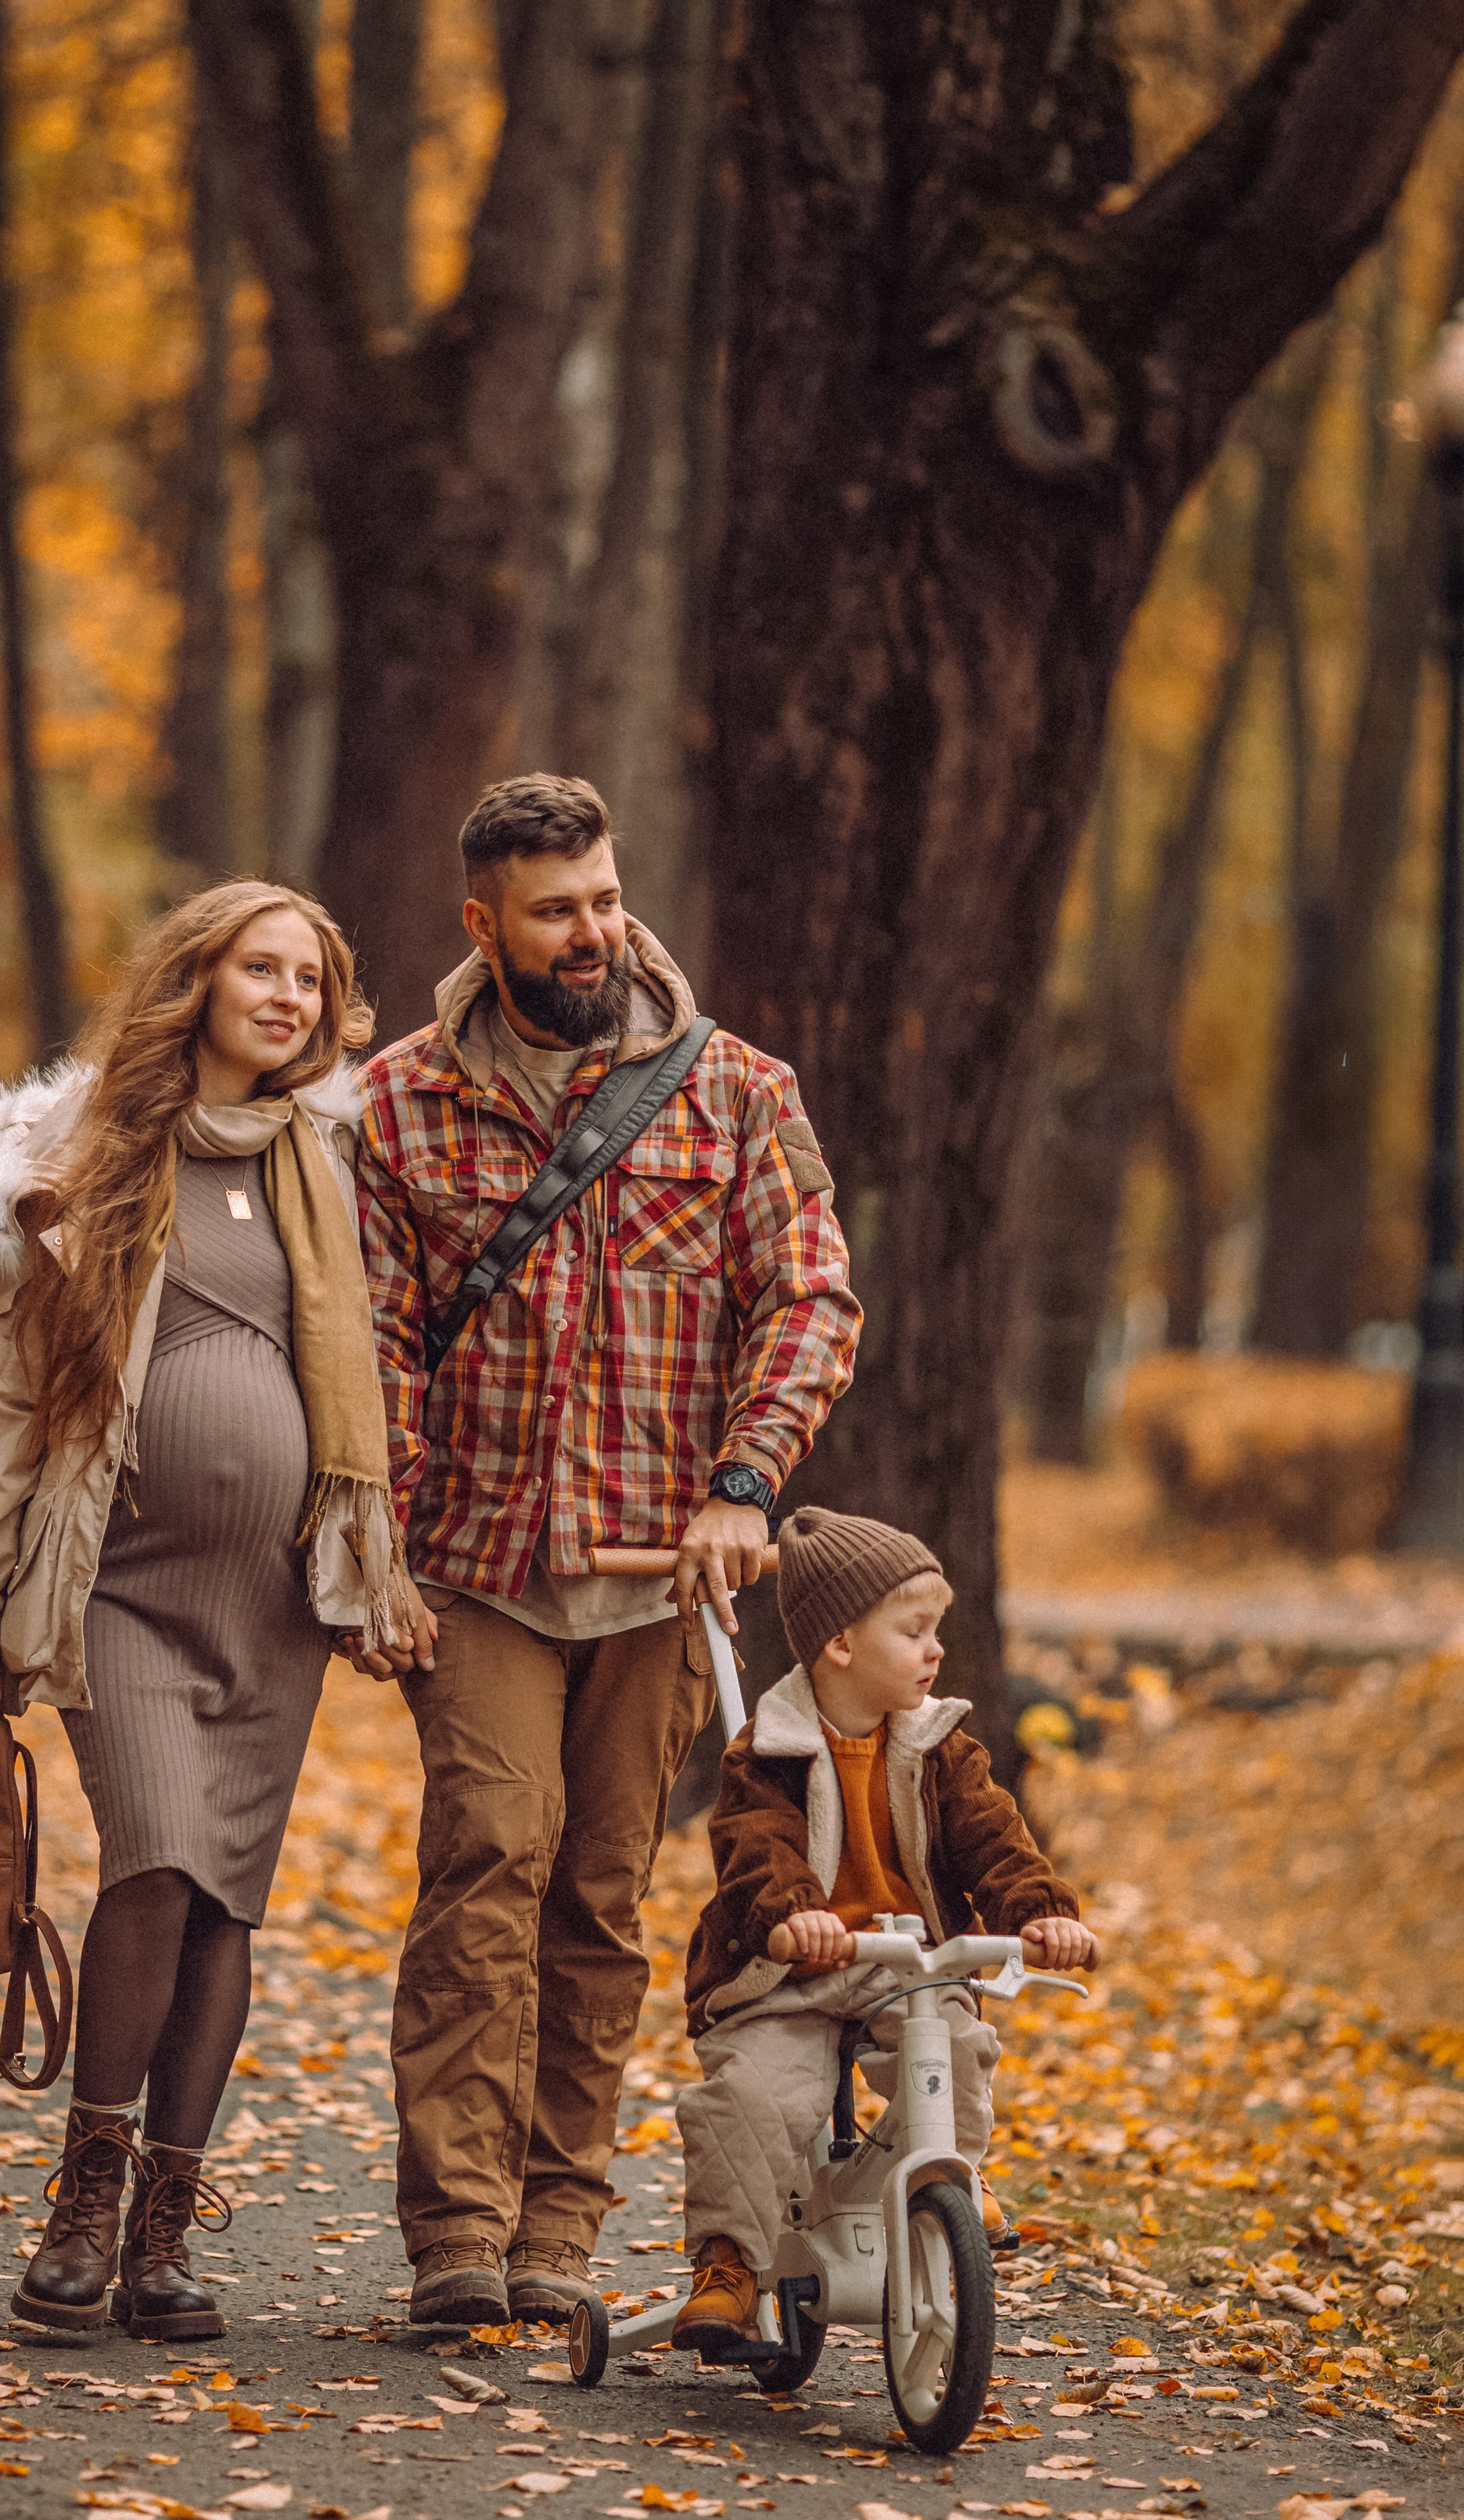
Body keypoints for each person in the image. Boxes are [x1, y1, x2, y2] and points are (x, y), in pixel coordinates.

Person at [0, 881, 414, 2346]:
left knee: (228, 1892)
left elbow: (373, 1362)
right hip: (117, 1577)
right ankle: (84, 2200)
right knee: (159, 1862)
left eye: (313, 974)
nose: (291, 995)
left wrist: (377, 1561)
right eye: (263, 966)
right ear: (197, 978)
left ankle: (167, 2228)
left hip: (274, 1600)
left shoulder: (329, 1154)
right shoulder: (86, 1154)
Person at [354, 772, 862, 2327]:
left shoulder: (734, 1092)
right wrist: (374, 1541)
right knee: (485, 1856)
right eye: (551, 910)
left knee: (595, 1892)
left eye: (600, 898)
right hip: (479, 1561)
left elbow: (808, 1301)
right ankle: (455, 2228)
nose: (587, 932)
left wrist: (740, 1481)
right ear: (482, 924)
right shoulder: (397, 1104)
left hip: (660, 1569)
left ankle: (556, 2229)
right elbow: (367, 1341)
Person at [671, 1507, 1099, 2354]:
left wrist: (1039, 1911)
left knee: (953, 2041)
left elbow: (993, 1838)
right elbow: (755, 1850)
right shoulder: (767, 1750)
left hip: (905, 1959)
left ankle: (946, 2173)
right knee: (750, 2101)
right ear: (839, 1643)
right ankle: (728, 2261)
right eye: (913, 1631)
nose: (935, 1649)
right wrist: (796, 1917)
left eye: (935, 1630)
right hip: (786, 1973)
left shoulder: (943, 1745)